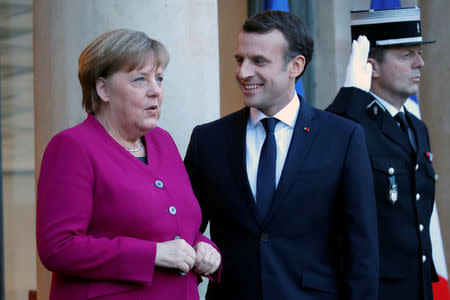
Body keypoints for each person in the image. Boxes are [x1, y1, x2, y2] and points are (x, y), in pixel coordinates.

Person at [185, 10, 378, 300]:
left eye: (259, 61)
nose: (243, 72)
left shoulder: (343, 138)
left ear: (295, 66)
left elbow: (361, 250)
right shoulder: (208, 140)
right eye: (240, 59)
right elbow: (185, 230)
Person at [36, 29, 220, 300]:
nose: (155, 90)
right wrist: (153, 254)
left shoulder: (163, 142)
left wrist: (204, 247)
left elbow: (178, 227)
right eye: (140, 79)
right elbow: (58, 248)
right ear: (103, 89)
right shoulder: (72, 147)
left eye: (159, 78)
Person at [327, 7, 438, 300]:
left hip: (416, 287)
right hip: (373, 290)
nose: (420, 63)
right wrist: (351, 96)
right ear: (371, 66)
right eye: (406, 55)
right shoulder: (349, 122)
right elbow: (320, 152)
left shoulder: (415, 126)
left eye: (419, 53)